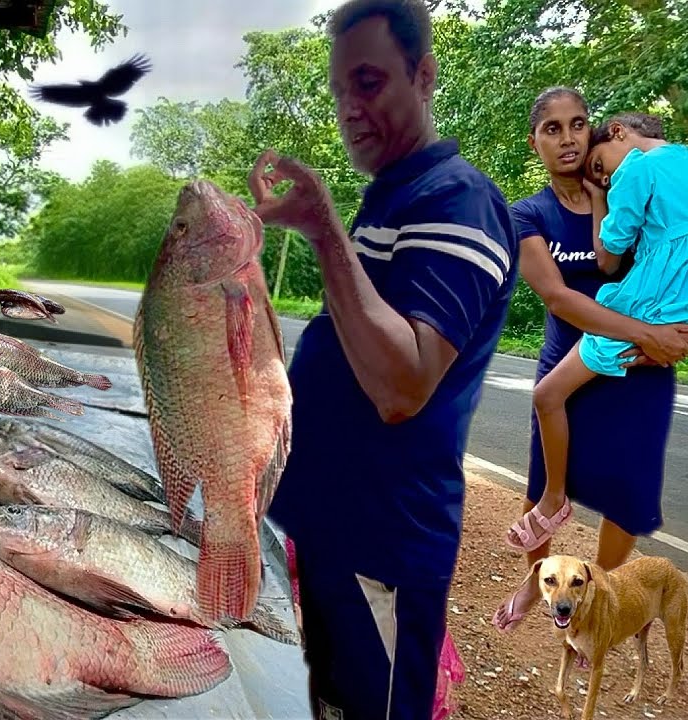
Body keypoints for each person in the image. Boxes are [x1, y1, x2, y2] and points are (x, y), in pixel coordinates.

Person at [248, 0, 519, 717]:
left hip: (383, 550)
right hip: (330, 531)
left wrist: (324, 228)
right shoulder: (395, 196)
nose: (349, 109)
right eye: (339, 91)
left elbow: (403, 383)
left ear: (424, 75)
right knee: (322, 698)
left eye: (367, 83)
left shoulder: (457, 200)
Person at [493, 94, 688, 630]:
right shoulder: (527, 214)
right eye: (552, 129)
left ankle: (593, 600)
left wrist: (672, 337)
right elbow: (559, 298)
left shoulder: (637, 185)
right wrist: (649, 332)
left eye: (578, 125)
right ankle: (537, 590)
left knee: (624, 496)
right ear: (534, 143)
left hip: (642, 368)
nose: (568, 138)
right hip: (575, 354)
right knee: (544, 491)